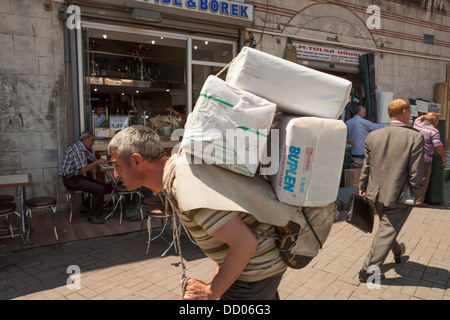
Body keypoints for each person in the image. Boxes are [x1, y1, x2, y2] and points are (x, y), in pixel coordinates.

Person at [108, 125, 287, 300]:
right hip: (258, 270)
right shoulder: (181, 171)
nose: (115, 174)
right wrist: (218, 277)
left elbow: (244, 243)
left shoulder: (185, 186)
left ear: (137, 161)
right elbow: (232, 233)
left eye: (117, 165)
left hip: (253, 276)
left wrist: (212, 291)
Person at [358, 99, 424, 282]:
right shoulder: (414, 137)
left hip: (375, 193)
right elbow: (416, 172)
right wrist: (417, 192)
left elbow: (367, 166)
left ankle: (397, 251)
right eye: (409, 112)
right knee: (388, 229)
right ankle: (368, 271)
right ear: (405, 113)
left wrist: (362, 187)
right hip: (399, 195)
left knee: (387, 227)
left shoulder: (373, 135)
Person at [58, 131, 107, 224]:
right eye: (92, 140)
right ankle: (92, 216)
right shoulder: (78, 150)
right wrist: (96, 163)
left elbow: (93, 159)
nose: (93, 143)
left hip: (77, 177)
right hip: (71, 180)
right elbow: (84, 169)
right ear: (85, 139)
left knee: (100, 185)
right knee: (99, 189)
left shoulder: (83, 148)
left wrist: (95, 163)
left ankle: (85, 206)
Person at [413, 112, 447, 207]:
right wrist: (443, 157)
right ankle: (419, 201)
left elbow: (419, 118)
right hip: (425, 159)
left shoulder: (417, 124)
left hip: (413, 157)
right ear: (434, 121)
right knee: (423, 179)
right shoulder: (434, 131)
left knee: (413, 178)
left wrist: (427, 115)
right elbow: (438, 145)